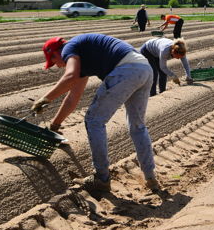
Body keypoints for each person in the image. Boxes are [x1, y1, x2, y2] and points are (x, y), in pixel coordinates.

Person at [32, 34, 163, 194]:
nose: (58, 66)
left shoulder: (68, 48)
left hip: (126, 70)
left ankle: (101, 178)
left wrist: (44, 100)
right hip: (144, 69)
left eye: (54, 62)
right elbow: (72, 98)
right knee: (137, 126)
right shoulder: (83, 58)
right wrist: (55, 125)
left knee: (94, 120)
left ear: (55, 52)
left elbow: (70, 75)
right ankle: (151, 179)